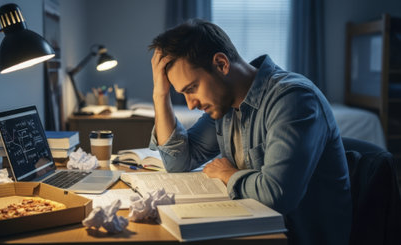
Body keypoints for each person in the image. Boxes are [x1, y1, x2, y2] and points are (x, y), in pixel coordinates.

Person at [148, 19, 352, 245]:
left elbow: (277, 196)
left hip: (296, 237)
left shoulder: (293, 99)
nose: (190, 105)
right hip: (254, 229)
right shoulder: (225, 106)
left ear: (221, 64)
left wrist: (228, 174)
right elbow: (178, 162)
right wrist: (160, 94)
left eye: (192, 88)